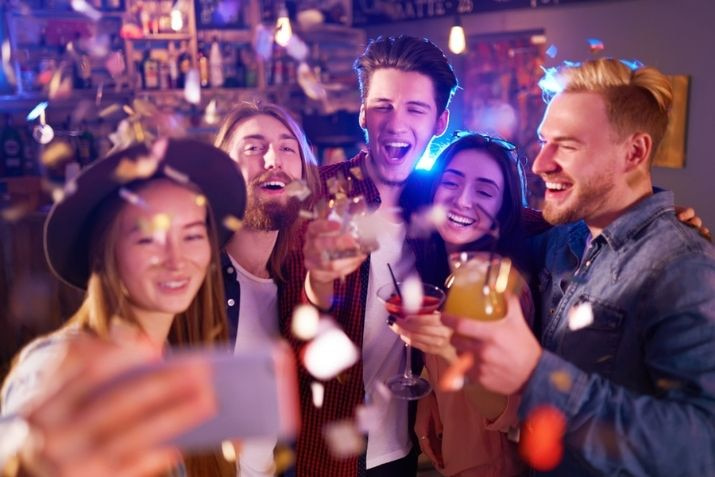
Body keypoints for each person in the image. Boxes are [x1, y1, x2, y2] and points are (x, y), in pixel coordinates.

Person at [443, 58, 715, 476]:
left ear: (634, 152)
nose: (539, 163)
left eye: (567, 146)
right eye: (544, 141)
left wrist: (536, 375)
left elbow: (700, 448)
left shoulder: (682, 266)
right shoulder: (567, 238)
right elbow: (496, 241)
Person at [1, 138, 248, 476]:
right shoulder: (58, 363)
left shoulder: (178, 361)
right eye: (147, 239)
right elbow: (17, 452)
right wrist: (34, 462)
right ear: (106, 251)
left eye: (192, 235)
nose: (177, 261)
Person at [281, 35, 457, 477]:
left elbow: (521, 219)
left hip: (401, 449)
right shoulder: (315, 195)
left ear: (440, 122)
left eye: (416, 109)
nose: (396, 124)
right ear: (362, 114)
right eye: (382, 106)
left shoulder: (441, 202)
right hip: (322, 452)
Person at [391, 131, 534, 477]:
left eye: (484, 191)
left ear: (504, 208)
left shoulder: (495, 286)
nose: (462, 201)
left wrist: (451, 351)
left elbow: (507, 411)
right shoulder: (454, 271)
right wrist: (428, 390)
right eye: (450, 183)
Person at [213, 100, 320, 477]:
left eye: (287, 147)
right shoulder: (196, 283)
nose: (273, 158)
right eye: (253, 147)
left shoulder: (293, 286)